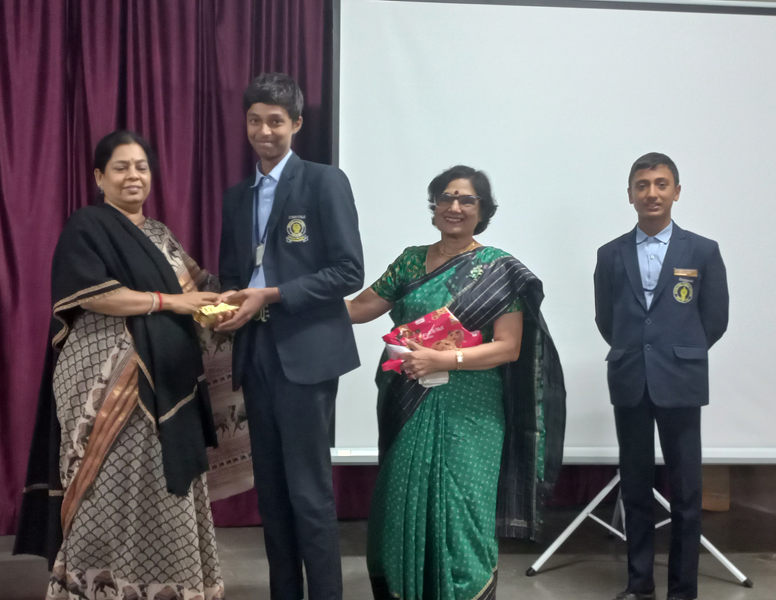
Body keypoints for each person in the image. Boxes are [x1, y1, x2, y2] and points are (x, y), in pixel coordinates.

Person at [17, 130, 227, 600]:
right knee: (108, 486)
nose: (133, 175)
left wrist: (237, 302)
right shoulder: (87, 227)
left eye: (141, 167)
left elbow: (201, 289)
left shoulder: (160, 236)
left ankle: (170, 588)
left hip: (166, 380)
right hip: (104, 380)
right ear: (99, 177)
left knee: (163, 485)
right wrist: (169, 302)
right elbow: (97, 296)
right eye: (121, 167)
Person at [347, 166, 566, 600]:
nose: (455, 206)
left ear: (482, 211)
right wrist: (284, 302)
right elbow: (358, 308)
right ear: (434, 208)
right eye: (446, 197)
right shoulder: (410, 261)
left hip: (473, 410)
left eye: (468, 199)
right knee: (403, 504)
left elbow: (508, 347)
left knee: (463, 512)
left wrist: (443, 359)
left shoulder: (498, 269)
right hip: (409, 402)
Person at [214, 72, 364, 600]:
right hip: (254, 352)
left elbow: (349, 272)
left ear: (296, 124)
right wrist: (227, 304)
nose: (264, 131)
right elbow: (233, 273)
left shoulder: (324, 182)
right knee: (272, 494)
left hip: (306, 354)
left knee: (308, 492)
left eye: (275, 121)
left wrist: (272, 294)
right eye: (254, 120)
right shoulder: (237, 197)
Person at [593, 152, 729, 600]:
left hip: (681, 380)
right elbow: (606, 320)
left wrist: (679, 352)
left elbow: (715, 319)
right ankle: (639, 583)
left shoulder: (703, 250)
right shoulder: (610, 254)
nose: (652, 193)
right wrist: (640, 351)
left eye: (661, 184)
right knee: (635, 488)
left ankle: (683, 590)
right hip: (630, 378)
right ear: (630, 194)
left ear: (676, 192)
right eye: (642, 185)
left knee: (687, 492)